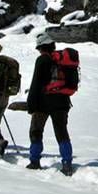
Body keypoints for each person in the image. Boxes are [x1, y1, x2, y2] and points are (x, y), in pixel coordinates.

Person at [26, 33, 73, 176]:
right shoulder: (62, 61)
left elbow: (36, 83)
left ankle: (34, 161)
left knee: (36, 131)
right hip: (62, 102)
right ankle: (66, 163)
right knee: (62, 133)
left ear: (41, 47)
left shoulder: (42, 60)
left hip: (43, 103)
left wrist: (31, 104)